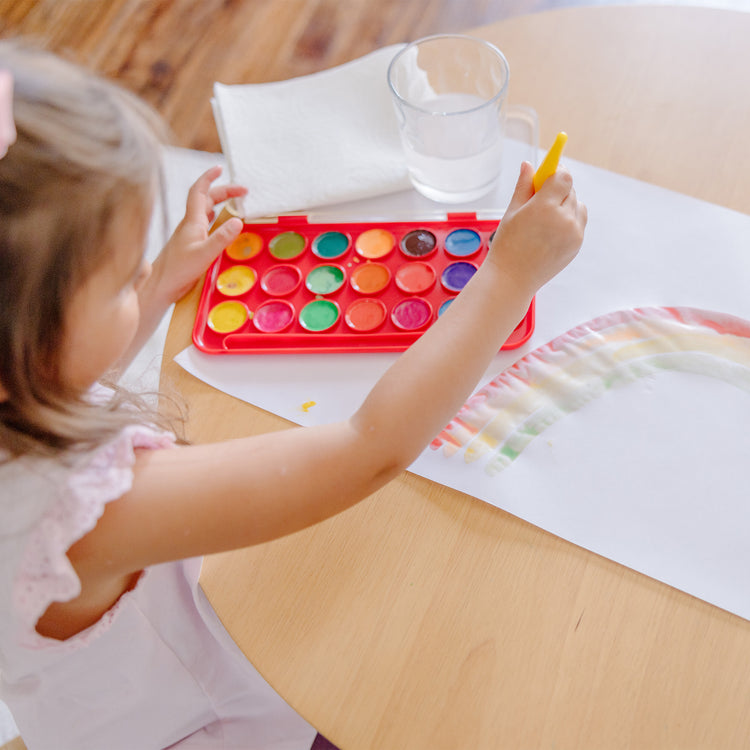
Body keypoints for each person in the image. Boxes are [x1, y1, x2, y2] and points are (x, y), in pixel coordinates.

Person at [0, 39, 587, 750]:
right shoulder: (83, 509)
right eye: (121, 279)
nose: (139, 280)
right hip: (203, 724)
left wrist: (157, 285)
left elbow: (60, 376)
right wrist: (505, 280)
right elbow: (366, 449)